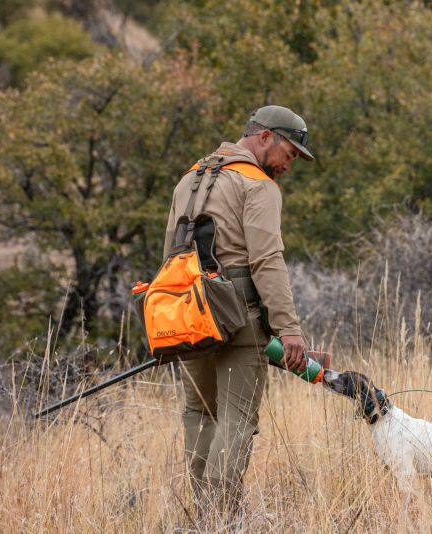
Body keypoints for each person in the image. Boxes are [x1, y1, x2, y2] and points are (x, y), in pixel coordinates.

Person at [162, 105, 314, 508]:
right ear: (265, 137)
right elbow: (267, 260)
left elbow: (169, 259)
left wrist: (167, 330)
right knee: (237, 418)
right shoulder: (257, 184)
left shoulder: (189, 178)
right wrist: (289, 329)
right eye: (290, 153)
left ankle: (201, 513)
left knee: (198, 415)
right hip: (241, 319)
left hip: (189, 317)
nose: (288, 164)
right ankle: (220, 516)